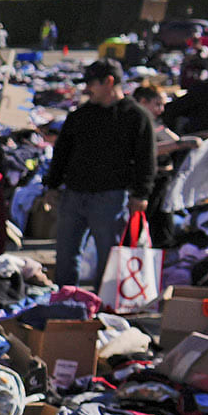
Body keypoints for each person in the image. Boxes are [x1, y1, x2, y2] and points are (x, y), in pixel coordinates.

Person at [44, 58, 156, 289]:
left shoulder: (136, 117)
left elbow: (147, 160)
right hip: (74, 195)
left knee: (108, 258)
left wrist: (141, 194)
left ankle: (101, 307)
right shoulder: (79, 116)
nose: (86, 89)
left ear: (109, 82)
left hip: (111, 198)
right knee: (66, 255)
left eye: (91, 83)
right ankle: (66, 301)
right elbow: (62, 154)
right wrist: (52, 186)